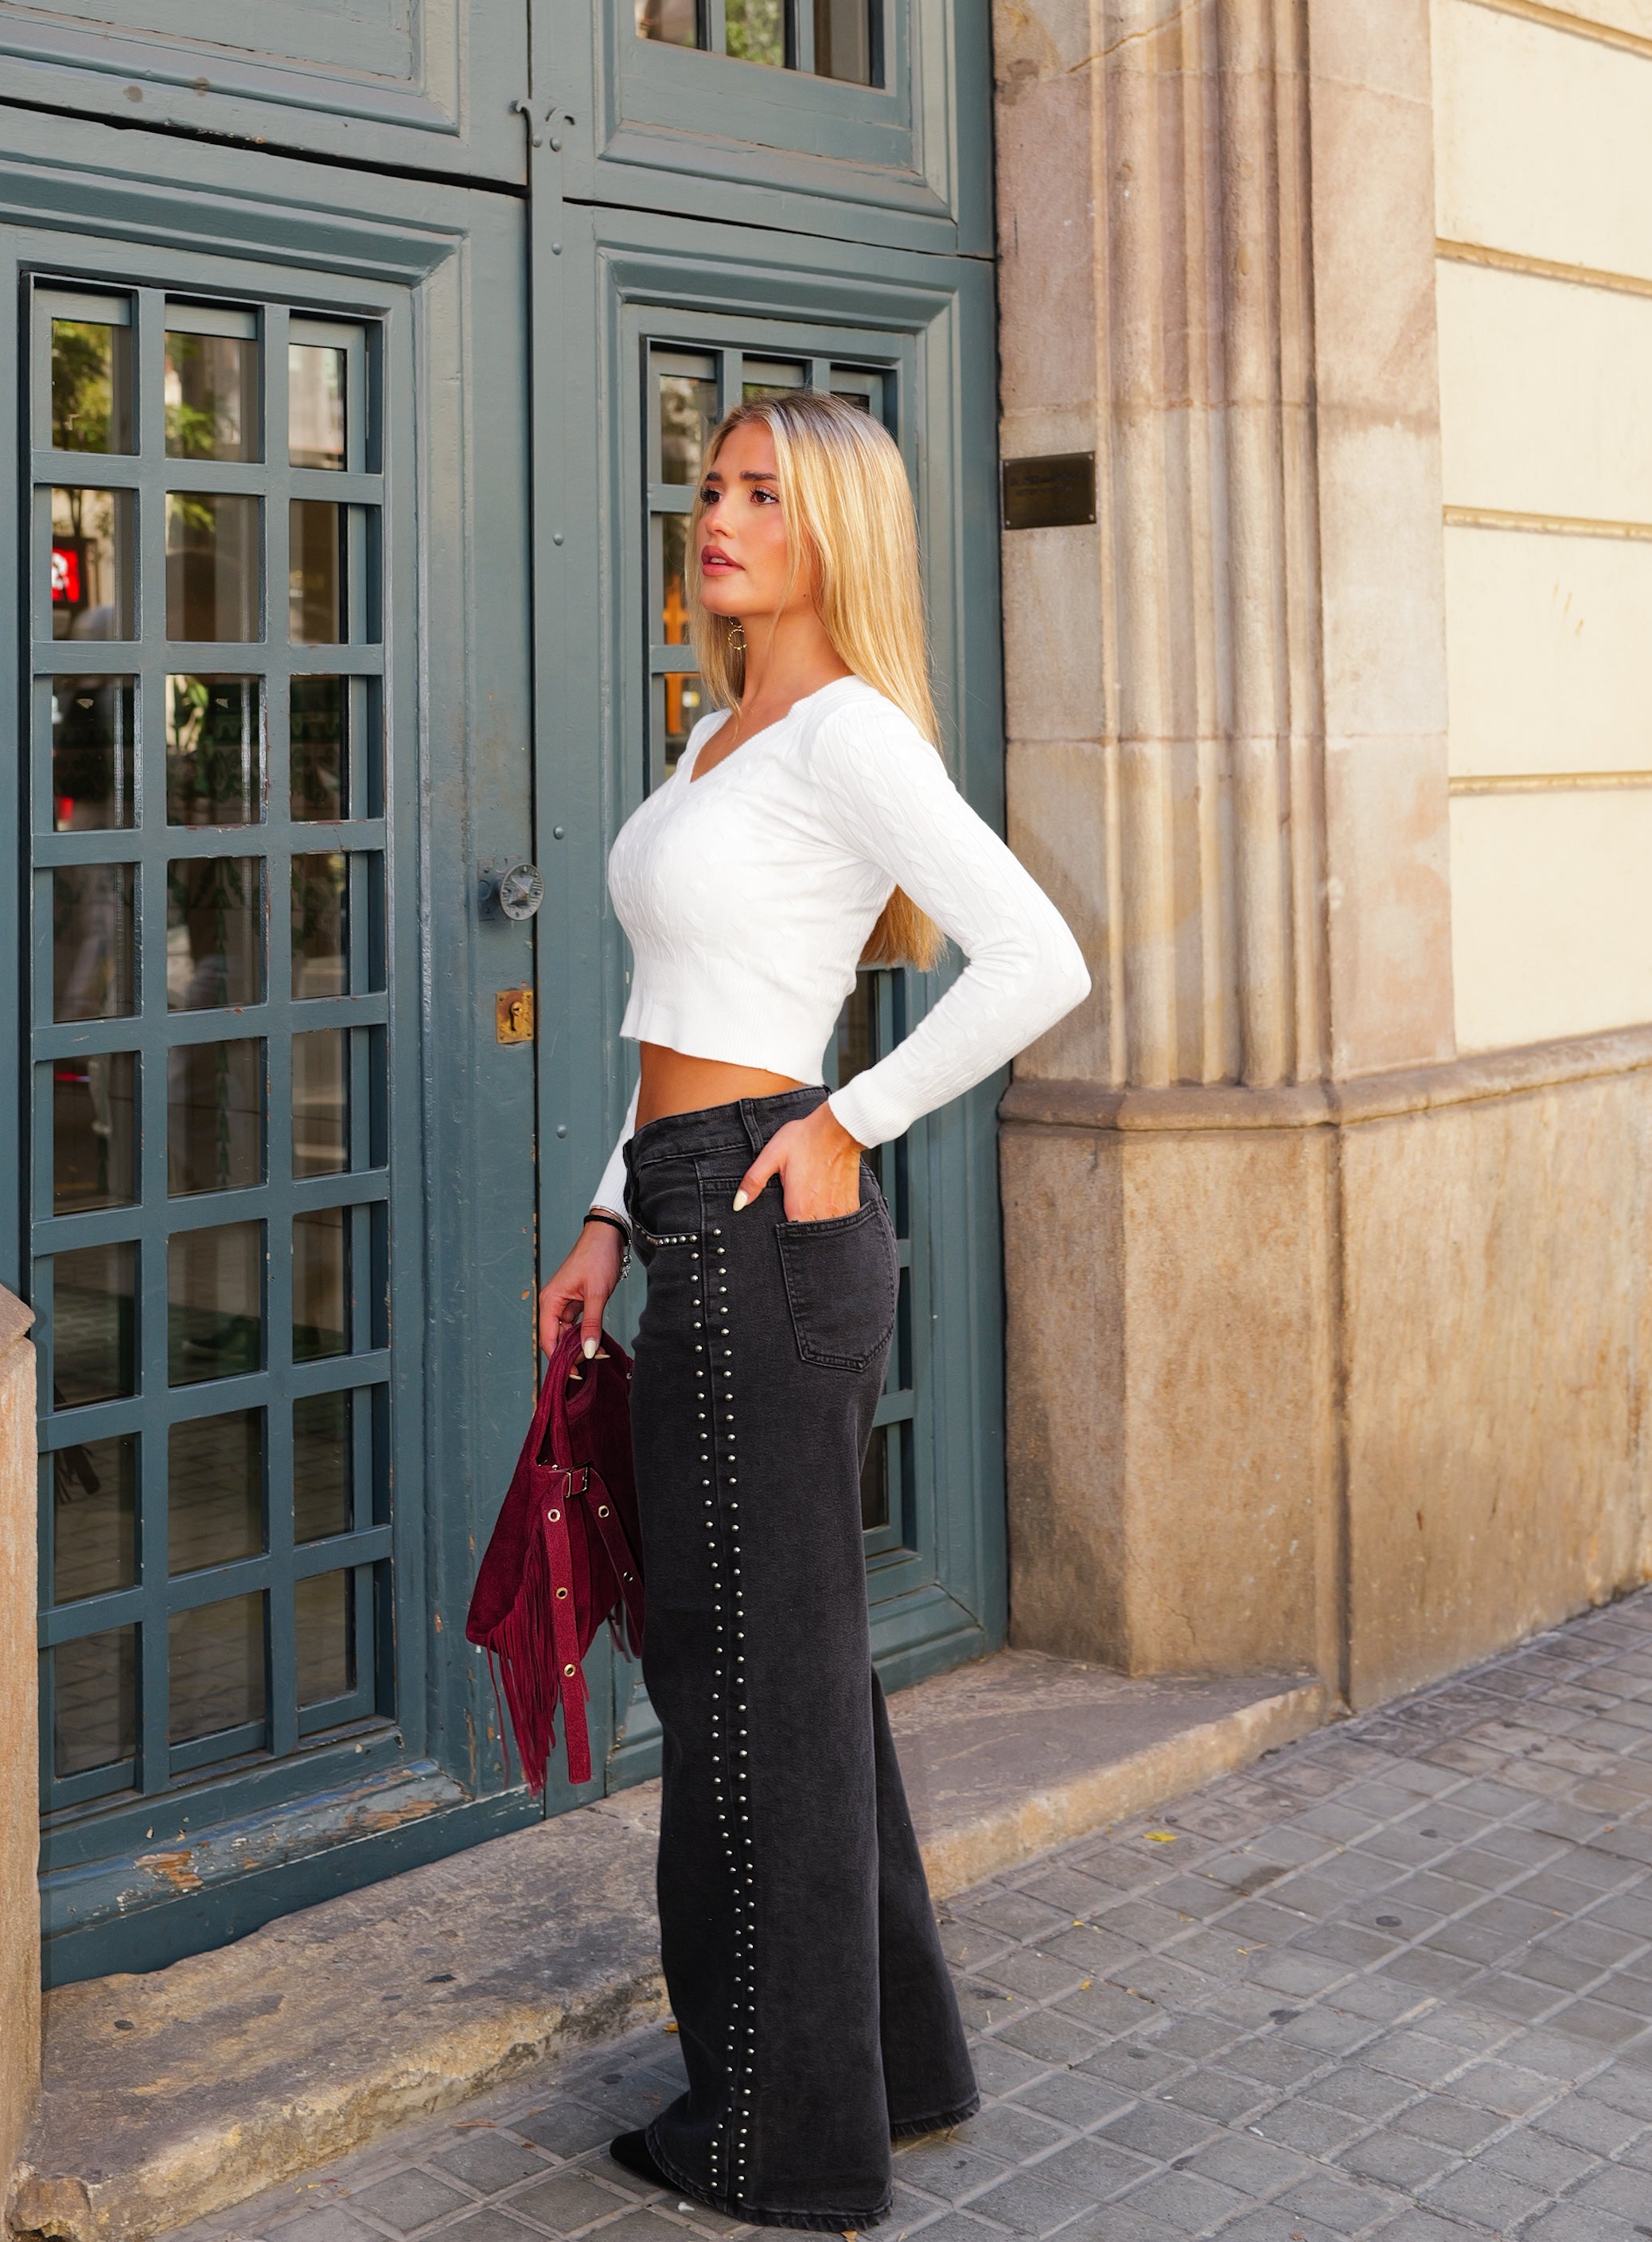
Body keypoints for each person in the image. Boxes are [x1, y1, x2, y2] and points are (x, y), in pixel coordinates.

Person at [536, 391, 1089, 2232]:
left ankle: (780, 2141)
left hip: (774, 1213)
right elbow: (691, 1011)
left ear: (835, 526)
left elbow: (1038, 956)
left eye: (764, 493)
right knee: (796, 1674)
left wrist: (854, 1122)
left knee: (742, 1694)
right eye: (709, 487)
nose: (720, 516)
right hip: (696, 1204)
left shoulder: (845, 728)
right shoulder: (719, 733)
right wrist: (611, 1219)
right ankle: (899, 2065)